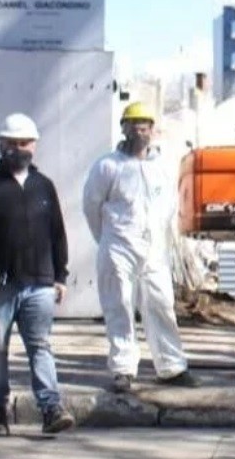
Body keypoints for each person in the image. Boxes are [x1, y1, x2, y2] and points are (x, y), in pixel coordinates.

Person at [0, 113, 75, 438]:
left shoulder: (43, 186)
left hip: (39, 282)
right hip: (0, 286)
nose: (18, 149)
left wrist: (60, 275)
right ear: (0, 145)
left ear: (34, 145)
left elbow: (57, 234)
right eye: (11, 144)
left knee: (40, 345)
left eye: (23, 143)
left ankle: (51, 408)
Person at [83, 102, 198, 393]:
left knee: (161, 305)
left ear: (153, 130)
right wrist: (108, 239)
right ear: (123, 128)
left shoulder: (161, 166)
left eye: (145, 125)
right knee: (118, 305)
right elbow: (91, 207)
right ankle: (123, 368)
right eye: (133, 124)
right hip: (119, 246)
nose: (139, 130)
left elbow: (170, 206)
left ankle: (171, 366)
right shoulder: (107, 166)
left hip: (154, 250)